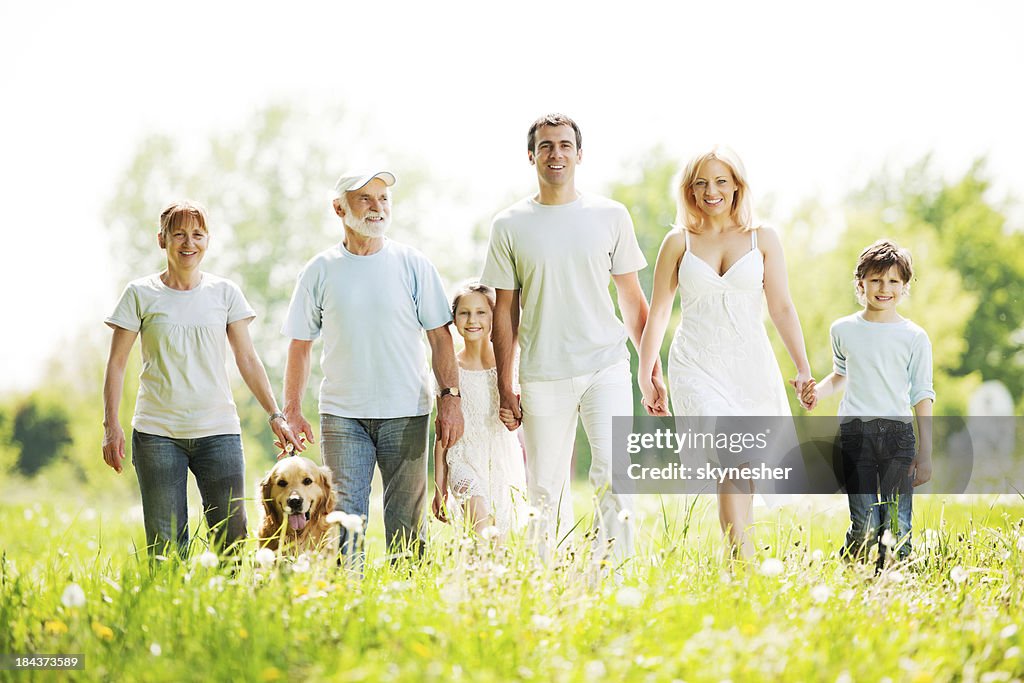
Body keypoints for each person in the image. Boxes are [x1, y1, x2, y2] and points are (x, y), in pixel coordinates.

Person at [482, 113, 660, 563]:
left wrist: (650, 368)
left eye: (564, 145)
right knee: (544, 484)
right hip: (543, 373)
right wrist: (506, 383)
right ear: (531, 156)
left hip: (607, 367)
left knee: (613, 474)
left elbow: (632, 299)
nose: (555, 154)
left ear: (579, 155)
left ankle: (612, 575)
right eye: (545, 146)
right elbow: (504, 312)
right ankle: (547, 578)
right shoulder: (509, 225)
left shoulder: (610, 215)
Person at [637, 146, 813, 560]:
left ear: (736, 185)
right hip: (695, 365)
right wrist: (646, 373)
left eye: (720, 181)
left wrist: (803, 367)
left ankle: (740, 560)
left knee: (745, 465)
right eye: (701, 182)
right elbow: (659, 310)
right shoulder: (677, 241)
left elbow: (782, 307)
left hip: (750, 365)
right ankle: (746, 562)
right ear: (689, 190)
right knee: (732, 454)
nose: (710, 191)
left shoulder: (762, 238)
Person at [281, 170, 463, 564]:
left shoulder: (413, 263)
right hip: (343, 415)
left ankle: (407, 594)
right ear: (339, 208)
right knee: (345, 518)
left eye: (383, 198)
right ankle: (349, 598)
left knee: (406, 521)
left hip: (407, 410)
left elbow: (439, 337)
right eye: (365, 198)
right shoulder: (319, 270)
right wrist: (292, 410)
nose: (377, 207)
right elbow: (299, 345)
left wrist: (451, 398)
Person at [102, 200, 301, 557]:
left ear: (208, 241)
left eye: (197, 234)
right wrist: (111, 425)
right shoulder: (140, 293)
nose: (188, 243)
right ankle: (171, 611)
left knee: (232, 543)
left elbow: (248, 359)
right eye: (178, 234)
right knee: (166, 549)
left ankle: (230, 611)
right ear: (161, 239)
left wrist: (276, 415)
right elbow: (117, 363)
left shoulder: (225, 293)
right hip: (157, 434)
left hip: (218, 432)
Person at [801, 240, 934, 567]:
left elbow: (922, 393)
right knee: (865, 525)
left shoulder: (914, 336)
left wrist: (926, 452)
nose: (883, 288)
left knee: (897, 524)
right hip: (855, 434)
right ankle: (852, 565)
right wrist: (817, 391)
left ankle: (895, 582)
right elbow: (841, 374)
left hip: (898, 436)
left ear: (904, 286)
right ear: (860, 283)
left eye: (892, 281)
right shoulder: (843, 329)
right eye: (875, 280)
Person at [431, 283, 527, 542]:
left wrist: (516, 417)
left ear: (494, 317)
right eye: (464, 313)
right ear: (454, 318)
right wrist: (440, 487)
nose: (472, 320)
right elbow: (442, 434)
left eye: (481, 312)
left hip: (503, 460)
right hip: (463, 460)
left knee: (498, 541)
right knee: (484, 533)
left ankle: (476, 581)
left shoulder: (511, 365)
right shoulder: (450, 369)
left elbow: (522, 411)